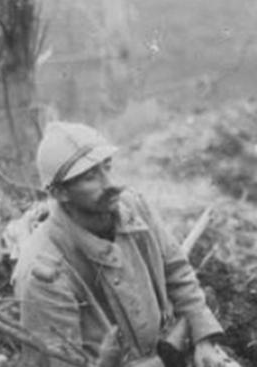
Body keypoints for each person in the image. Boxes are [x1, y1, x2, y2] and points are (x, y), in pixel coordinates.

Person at [13, 122, 241, 367]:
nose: (110, 184)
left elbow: (177, 271)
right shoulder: (44, 274)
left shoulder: (132, 207)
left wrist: (203, 339)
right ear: (60, 193)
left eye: (107, 168)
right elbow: (60, 361)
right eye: (91, 177)